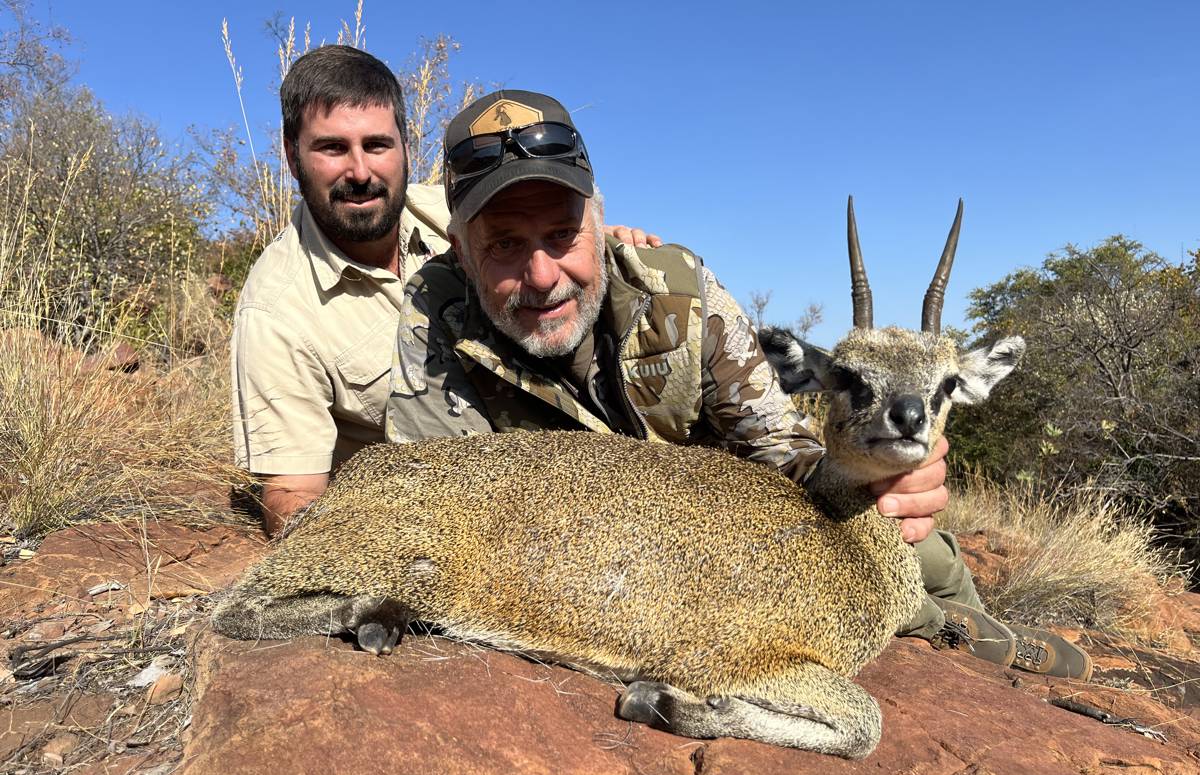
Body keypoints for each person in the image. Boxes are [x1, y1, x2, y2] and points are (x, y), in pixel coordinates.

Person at [383, 89, 1092, 681]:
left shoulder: (678, 290)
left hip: (728, 528)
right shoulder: (432, 320)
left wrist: (881, 477)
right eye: (505, 244)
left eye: (563, 235)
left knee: (905, 535)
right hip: (605, 554)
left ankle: (977, 631)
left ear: (598, 224)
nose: (542, 276)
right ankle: (939, 627)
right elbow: (434, 497)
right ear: (461, 250)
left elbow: (777, 445)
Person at [230, 47, 656, 535]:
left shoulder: (464, 210)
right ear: (292, 156)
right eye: (332, 148)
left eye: (377, 145)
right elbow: (291, 493)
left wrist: (603, 244)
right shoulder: (274, 312)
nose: (360, 172)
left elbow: (558, 230)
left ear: (406, 147)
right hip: (447, 514)